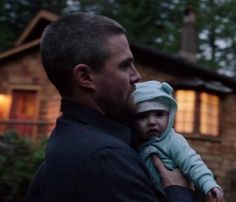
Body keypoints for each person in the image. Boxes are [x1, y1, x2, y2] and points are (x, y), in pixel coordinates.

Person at [26, 12, 198, 202]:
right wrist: (179, 191)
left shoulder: (64, 139)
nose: (136, 76)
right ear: (85, 77)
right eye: (125, 66)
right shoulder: (106, 158)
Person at [132, 80, 224, 202]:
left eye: (159, 114)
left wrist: (208, 184)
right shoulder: (135, 144)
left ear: (169, 116)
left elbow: (193, 163)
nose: (152, 122)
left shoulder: (173, 140)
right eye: (143, 116)